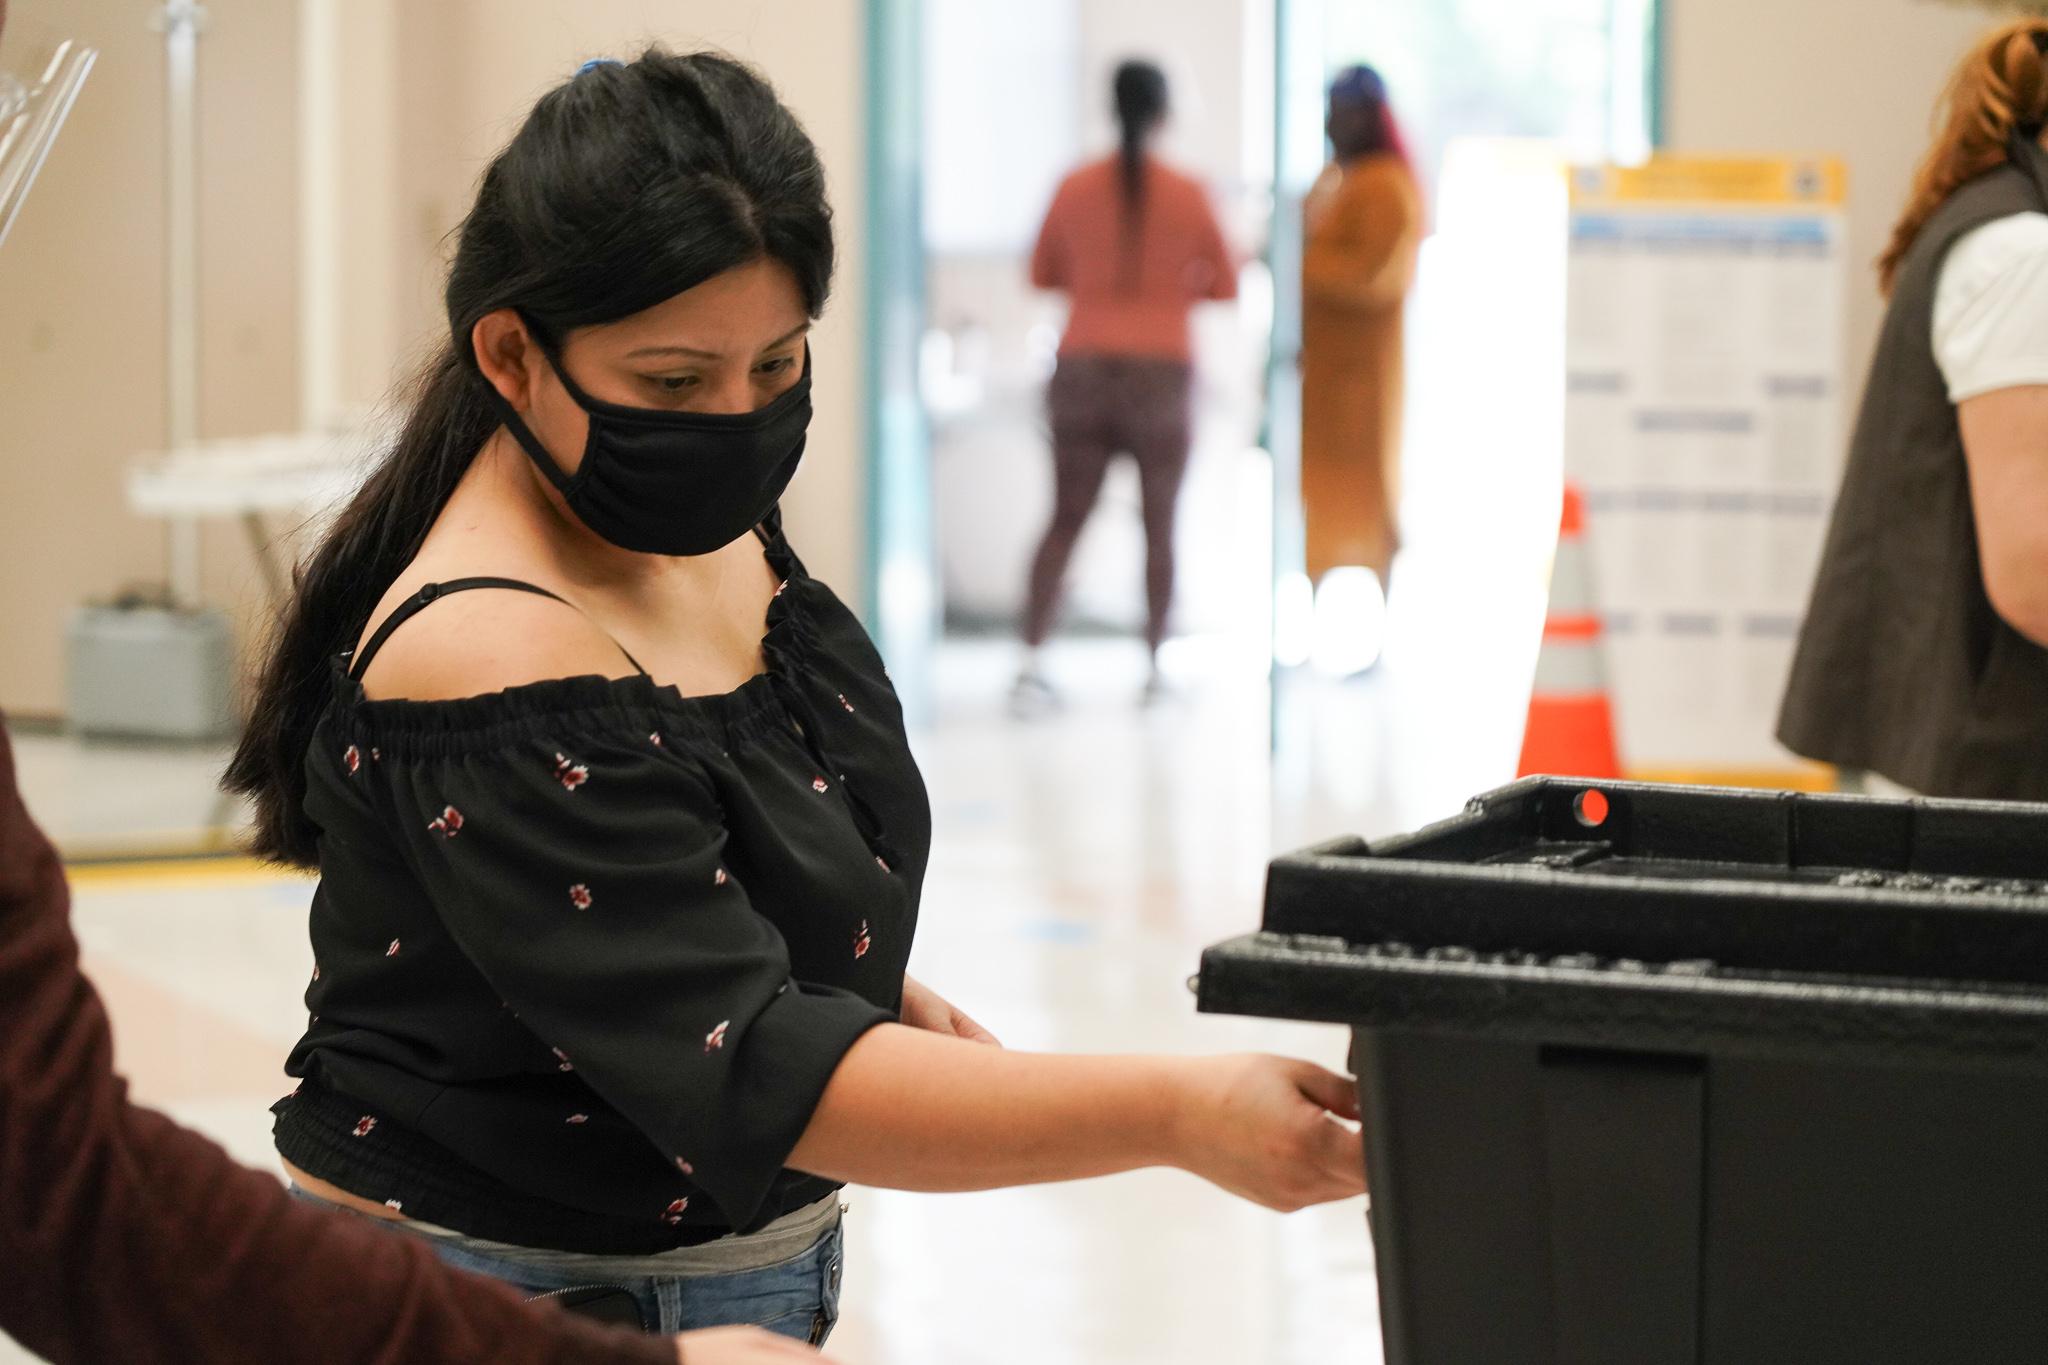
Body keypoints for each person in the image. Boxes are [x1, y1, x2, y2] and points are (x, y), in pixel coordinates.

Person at [223, 49, 1365, 1343]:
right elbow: (753, 1066)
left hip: (733, 1261)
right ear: (511, 354)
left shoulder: (684, 510)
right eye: (673, 382)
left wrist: (847, 968)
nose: (736, 418)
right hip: (506, 1297)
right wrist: (1178, 1115)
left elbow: (716, 865)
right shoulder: (490, 649)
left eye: (777, 366)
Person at [1779, 19, 2048, 799]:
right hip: (1981, 770)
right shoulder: (2021, 254)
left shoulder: (1990, 222)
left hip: (1935, 748)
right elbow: (2032, 571)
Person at [1017, 58, 1238, 709]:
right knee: (1160, 525)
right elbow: (1225, 283)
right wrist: (1169, 289)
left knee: (1064, 519)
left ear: (1110, 108)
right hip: (1161, 376)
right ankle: (1155, 665)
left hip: (1083, 368)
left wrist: (1098, 284)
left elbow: (1040, 273)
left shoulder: (1074, 185)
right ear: (1165, 112)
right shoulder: (1191, 193)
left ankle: (1031, 659)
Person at [1298, 65, 1422, 673]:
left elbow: (1377, 276)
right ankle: (1315, 635)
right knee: (1318, 507)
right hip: (1320, 379)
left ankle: (1380, 642)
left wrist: (1307, 265)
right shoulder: (1333, 181)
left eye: (1341, 112)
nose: (1330, 125)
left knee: (1375, 504)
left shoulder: (1387, 186)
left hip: (1367, 379)